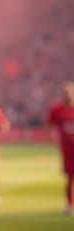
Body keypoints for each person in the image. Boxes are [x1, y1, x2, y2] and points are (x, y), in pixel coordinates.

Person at [47, 82, 74, 216]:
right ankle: (70, 204)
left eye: (69, 93)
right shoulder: (57, 110)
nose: (67, 96)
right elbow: (49, 125)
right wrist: (54, 139)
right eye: (65, 94)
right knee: (70, 177)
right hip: (68, 149)